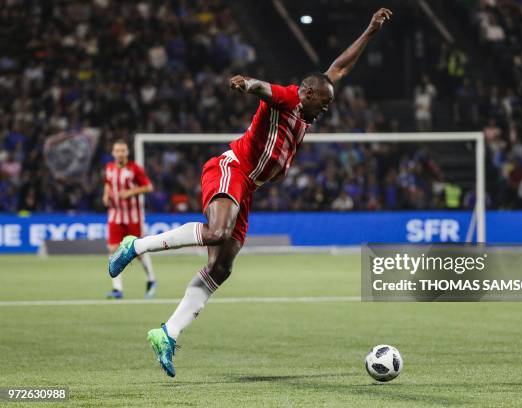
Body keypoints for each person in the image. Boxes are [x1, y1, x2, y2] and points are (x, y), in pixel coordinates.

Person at [108, 8, 392, 377]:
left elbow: (337, 69)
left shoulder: (308, 106)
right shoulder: (289, 99)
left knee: (221, 266)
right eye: (322, 103)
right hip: (231, 169)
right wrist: (246, 84)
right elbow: (263, 88)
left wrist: (370, 30)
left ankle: (167, 332)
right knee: (216, 233)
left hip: (249, 186)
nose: (324, 110)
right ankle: (136, 246)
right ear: (306, 94)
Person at [103, 140, 156, 299]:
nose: (120, 153)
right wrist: (105, 195)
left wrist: (130, 193)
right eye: (117, 150)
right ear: (113, 153)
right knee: (113, 249)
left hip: (133, 216)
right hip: (115, 215)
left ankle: (151, 280)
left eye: (123, 150)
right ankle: (117, 289)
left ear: (127, 152)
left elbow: (148, 187)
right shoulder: (109, 168)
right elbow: (107, 183)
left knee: (138, 252)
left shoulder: (134, 169)